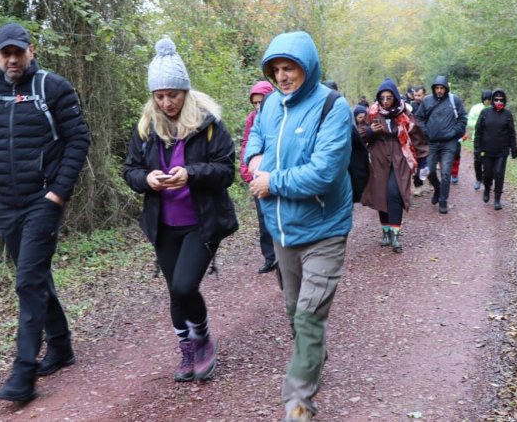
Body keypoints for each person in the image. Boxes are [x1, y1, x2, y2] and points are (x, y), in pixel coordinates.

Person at [0, 23, 90, 402]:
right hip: (5, 204)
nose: (11, 59)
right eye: (4, 52)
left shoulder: (52, 87)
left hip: (42, 201)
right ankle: (61, 345)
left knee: (26, 282)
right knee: (35, 277)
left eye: (17, 52)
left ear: (30, 51)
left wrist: (58, 193)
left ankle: (23, 373)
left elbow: (78, 140)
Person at [244, 31, 353, 422]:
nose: (283, 76)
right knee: (295, 311)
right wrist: (254, 157)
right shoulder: (270, 105)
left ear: (307, 67)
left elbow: (324, 173)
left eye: (289, 68)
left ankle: (298, 402)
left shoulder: (332, 107)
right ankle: (314, 355)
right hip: (283, 231)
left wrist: (273, 181)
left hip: (325, 229)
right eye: (276, 70)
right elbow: (255, 135)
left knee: (308, 314)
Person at [123, 37, 238, 383]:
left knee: (186, 286)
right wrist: (148, 179)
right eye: (159, 96)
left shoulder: (209, 125)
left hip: (201, 223)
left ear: (185, 92)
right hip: (164, 223)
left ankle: (202, 338)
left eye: (173, 94)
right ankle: (187, 349)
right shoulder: (145, 129)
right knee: (175, 290)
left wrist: (192, 174)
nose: (167, 102)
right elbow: (129, 170)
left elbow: (226, 171)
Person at [361, 78, 427, 252]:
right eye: (382, 98)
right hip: (379, 157)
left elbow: (417, 135)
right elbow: (360, 134)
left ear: (395, 98)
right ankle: (385, 231)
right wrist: (370, 131)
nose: (385, 101)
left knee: (394, 192)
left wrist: (422, 160)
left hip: (400, 157)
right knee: (380, 193)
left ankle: (395, 234)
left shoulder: (405, 113)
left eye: (389, 98)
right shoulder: (372, 112)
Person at [239, 80, 278, 274]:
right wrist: (247, 171)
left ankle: (285, 253)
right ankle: (270, 258)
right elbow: (247, 143)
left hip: (276, 175)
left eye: (260, 101)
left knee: (279, 214)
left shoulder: (280, 115)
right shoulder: (252, 118)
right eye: (254, 103)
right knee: (263, 219)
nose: (257, 106)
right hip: (256, 174)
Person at [415, 75, 467, 214]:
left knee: (445, 172)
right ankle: (437, 189)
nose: (439, 90)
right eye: (437, 88)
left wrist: (454, 132)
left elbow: (463, 118)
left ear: (446, 88)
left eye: (442, 88)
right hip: (432, 142)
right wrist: (426, 132)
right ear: (433, 89)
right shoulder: (427, 101)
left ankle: (443, 201)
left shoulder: (454, 100)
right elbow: (419, 118)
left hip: (449, 143)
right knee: (430, 171)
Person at [474, 88, 517, 210]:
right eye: (496, 99)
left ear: (505, 101)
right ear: (492, 100)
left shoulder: (508, 115)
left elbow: (511, 133)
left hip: (502, 151)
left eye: (501, 100)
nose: (499, 102)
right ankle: (487, 189)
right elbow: (478, 132)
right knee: (487, 174)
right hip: (487, 151)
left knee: (499, 173)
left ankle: (497, 199)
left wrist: (514, 148)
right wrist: (477, 149)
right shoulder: (485, 113)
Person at [466, 89, 492, 190]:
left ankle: (488, 179)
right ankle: (478, 179)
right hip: (477, 138)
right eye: (486, 99)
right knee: (478, 160)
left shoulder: (494, 108)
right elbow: (469, 121)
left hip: (491, 139)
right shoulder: (476, 108)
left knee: (489, 161)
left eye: (489, 99)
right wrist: (480, 124)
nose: (488, 101)